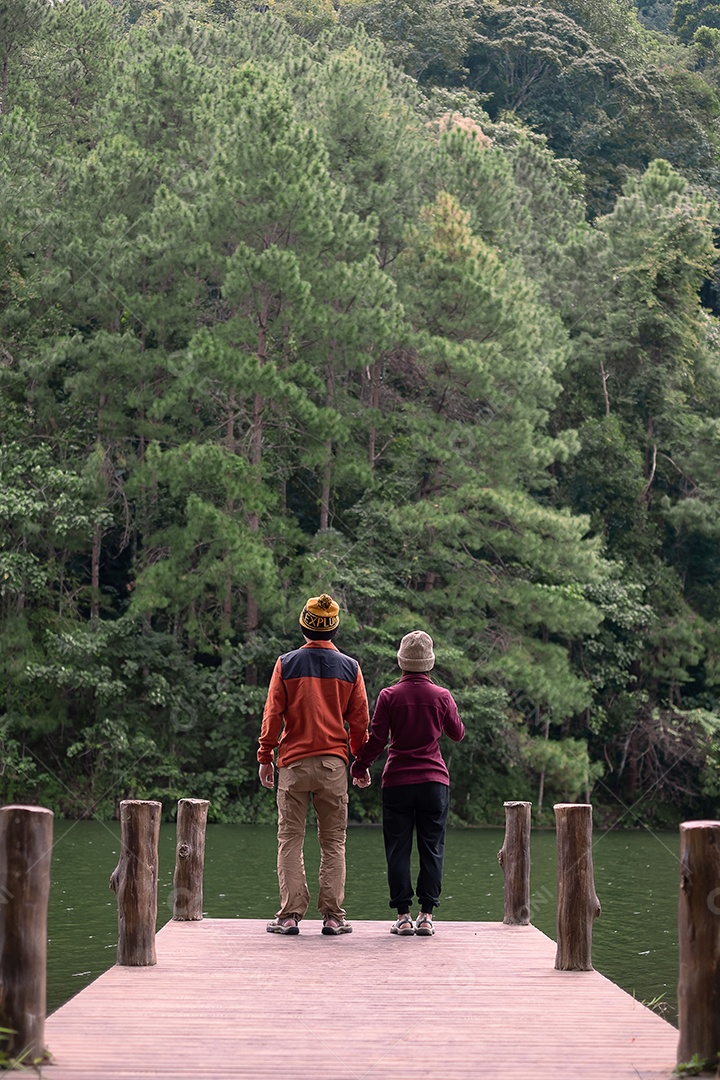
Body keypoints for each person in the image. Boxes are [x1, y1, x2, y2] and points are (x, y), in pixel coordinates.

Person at [258, 593, 369, 936]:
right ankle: (333, 917)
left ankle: (290, 915)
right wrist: (360, 763)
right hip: (334, 766)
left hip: (293, 764)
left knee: (290, 838)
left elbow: (273, 714)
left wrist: (266, 756)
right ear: (334, 629)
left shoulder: (286, 663)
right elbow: (360, 722)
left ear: (304, 625)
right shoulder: (350, 668)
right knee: (333, 842)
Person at [350, 630, 464, 936]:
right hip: (434, 783)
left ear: (402, 662)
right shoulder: (442, 696)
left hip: (397, 781)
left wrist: (358, 767)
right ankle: (426, 916)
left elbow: (376, 741)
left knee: (398, 849)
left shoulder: (389, 696)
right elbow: (458, 733)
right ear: (429, 663)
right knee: (432, 848)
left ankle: (403, 916)